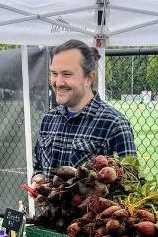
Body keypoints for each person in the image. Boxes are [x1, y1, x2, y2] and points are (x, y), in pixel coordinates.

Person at [31, 39, 137, 185]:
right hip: (49, 209)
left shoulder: (114, 125)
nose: (58, 82)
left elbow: (130, 186)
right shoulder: (49, 119)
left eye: (67, 74)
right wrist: (38, 178)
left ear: (89, 78)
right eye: (54, 73)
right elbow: (38, 167)